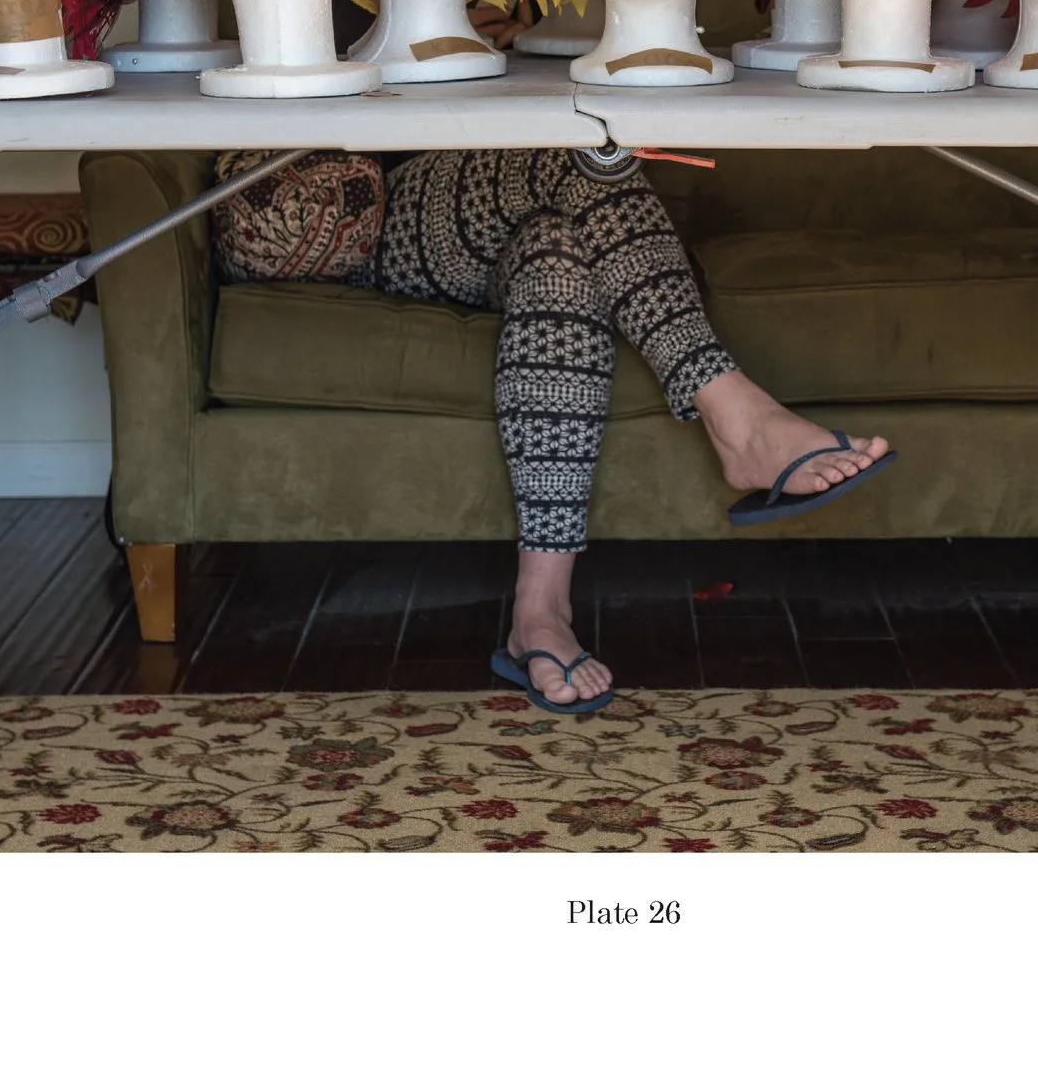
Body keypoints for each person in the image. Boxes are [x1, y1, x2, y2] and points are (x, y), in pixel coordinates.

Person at [359, 142, 891, 712]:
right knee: (580, 150)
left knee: (562, 251)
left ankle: (540, 614)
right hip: (344, 202)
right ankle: (738, 418)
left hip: (459, 197)